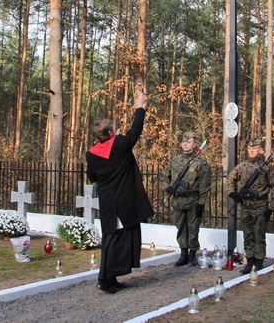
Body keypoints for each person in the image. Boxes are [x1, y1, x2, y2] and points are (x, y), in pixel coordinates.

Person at [86, 87, 154, 294]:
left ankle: (111, 277)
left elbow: (92, 177)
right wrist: (140, 106)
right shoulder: (121, 144)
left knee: (115, 238)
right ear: (110, 133)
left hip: (108, 201)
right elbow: (136, 129)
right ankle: (104, 280)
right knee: (114, 240)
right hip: (123, 201)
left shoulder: (91, 154)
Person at [225, 137, 274, 274]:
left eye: (254, 149)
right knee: (248, 234)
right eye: (249, 149)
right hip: (246, 206)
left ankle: (259, 261)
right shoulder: (241, 166)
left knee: (259, 234)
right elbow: (229, 180)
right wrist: (233, 194)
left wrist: (271, 207)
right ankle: (249, 260)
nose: (251, 151)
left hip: (261, 205)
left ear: (260, 150)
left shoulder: (267, 168)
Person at [162, 131, 211, 267]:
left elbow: (205, 184)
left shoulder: (201, 162)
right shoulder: (175, 161)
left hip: (193, 200)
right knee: (180, 227)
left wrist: (201, 203)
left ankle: (192, 254)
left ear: (194, 145)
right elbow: (164, 177)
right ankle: (183, 254)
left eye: (188, 142)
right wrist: (168, 188)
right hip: (178, 200)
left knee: (193, 228)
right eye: (183, 141)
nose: (185, 144)